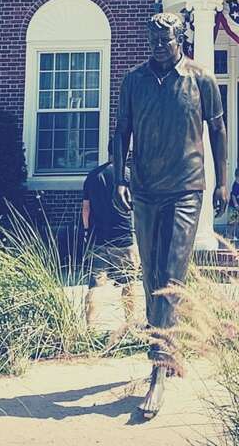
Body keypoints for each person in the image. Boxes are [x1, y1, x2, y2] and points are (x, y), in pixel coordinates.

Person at [113, 11, 227, 419]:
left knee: (171, 275)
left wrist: (223, 181)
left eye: (166, 40)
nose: (158, 46)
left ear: (182, 38)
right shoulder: (134, 81)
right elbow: (121, 130)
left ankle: (159, 368)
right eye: (153, 40)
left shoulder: (201, 79)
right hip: (144, 189)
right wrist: (120, 178)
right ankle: (167, 341)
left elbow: (218, 130)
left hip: (185, 189)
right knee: (150, 273)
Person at [82, 137, 137, 331]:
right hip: (124, 238)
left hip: (98, 239)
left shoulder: (93, 176)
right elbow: (137, 207)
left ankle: (90, 328)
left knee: (95, 285)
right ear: (125, 153)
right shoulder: (129, 176)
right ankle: (130, 326)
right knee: (129, 283)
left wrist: (87, 231)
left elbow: (86, 209)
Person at [227, 167, 239, 242]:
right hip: (233, 207)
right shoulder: (235, 185)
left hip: (237, 207)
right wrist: (236, 204)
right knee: (232, 222)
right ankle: (230, 236)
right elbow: (233, 195)